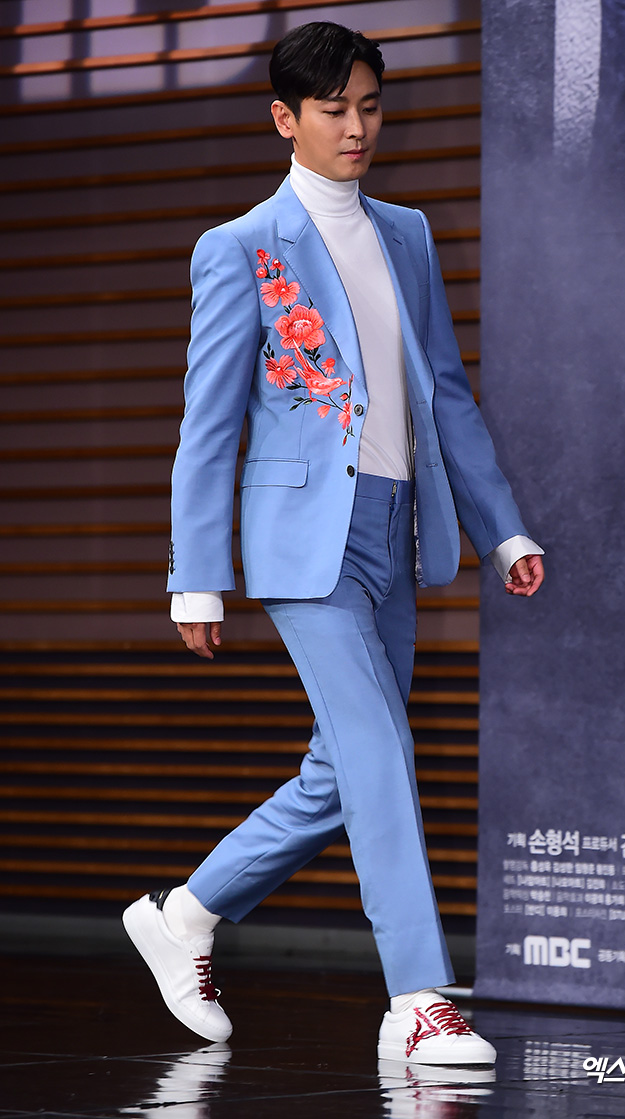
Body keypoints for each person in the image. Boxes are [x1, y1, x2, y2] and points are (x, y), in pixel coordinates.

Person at [123, 21, 544, 1065]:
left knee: (344, 763)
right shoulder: (238, 248)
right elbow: (208, 425)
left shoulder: (407, 234)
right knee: (377, 749)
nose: (356, 127)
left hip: (398, 531)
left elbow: (445, 394)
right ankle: (417, 1001)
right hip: (302, 544)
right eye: (333, 110)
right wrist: (196, 578)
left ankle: (185, 914)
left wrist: (501, 527)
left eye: (370, 107)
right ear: (285, 118)